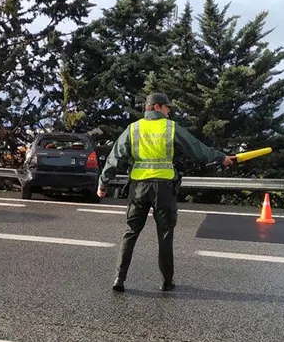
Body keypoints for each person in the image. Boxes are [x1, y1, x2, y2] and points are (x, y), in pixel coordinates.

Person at [97, 93, 236, 293]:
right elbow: (197, 148)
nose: (169, 111)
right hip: (163, 188)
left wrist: (103, 183)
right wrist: (221, 157)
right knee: (165, 234)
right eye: (166, 107)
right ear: (156, 107)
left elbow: (115, 157)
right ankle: (166, 281)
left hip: (139, 187)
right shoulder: (170, 128)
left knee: (131, 232)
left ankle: (119, 277)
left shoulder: (133, 129)